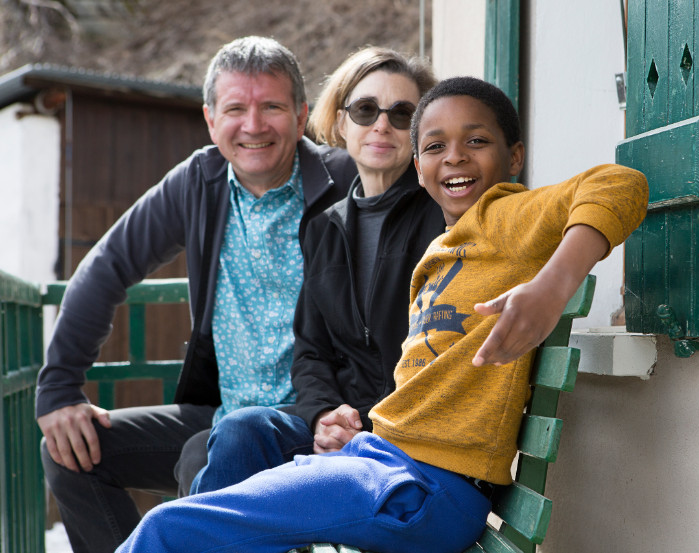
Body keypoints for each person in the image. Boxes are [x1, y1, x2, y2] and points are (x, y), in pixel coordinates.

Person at [114, 76, 649, 553]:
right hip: (382, 464)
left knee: (171, 527)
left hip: (418, 490)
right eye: (435, 146)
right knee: (227, 471)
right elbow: (320, 353)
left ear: (514, 157)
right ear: (418, 168)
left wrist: (552, 286)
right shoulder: (443, 252)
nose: (455, 157)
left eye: (477, 141)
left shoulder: (506, 214)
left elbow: (620, 184)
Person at [35, 36, 357, 553]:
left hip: (316, 420)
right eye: (235, 109)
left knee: (200, 457)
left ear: (301, 117)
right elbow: (107, 265)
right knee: (71, 451)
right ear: (210, 119)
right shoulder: (198, 182)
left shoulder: (345, 179)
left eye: (272, 107)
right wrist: (59, 388)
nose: (253, 125)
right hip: (227, 412)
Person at [188, 47, 444, 494]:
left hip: (403, 435)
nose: (381, 125)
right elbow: (310, 351)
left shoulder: (441, 217)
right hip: (340, 425)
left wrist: (366, 426)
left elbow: (441, 349)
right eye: (365, 110)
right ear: (341, 122)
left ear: (421, 129)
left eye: (402, 114)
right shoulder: (325, 228)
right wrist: (324, 414)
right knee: (239, 430)